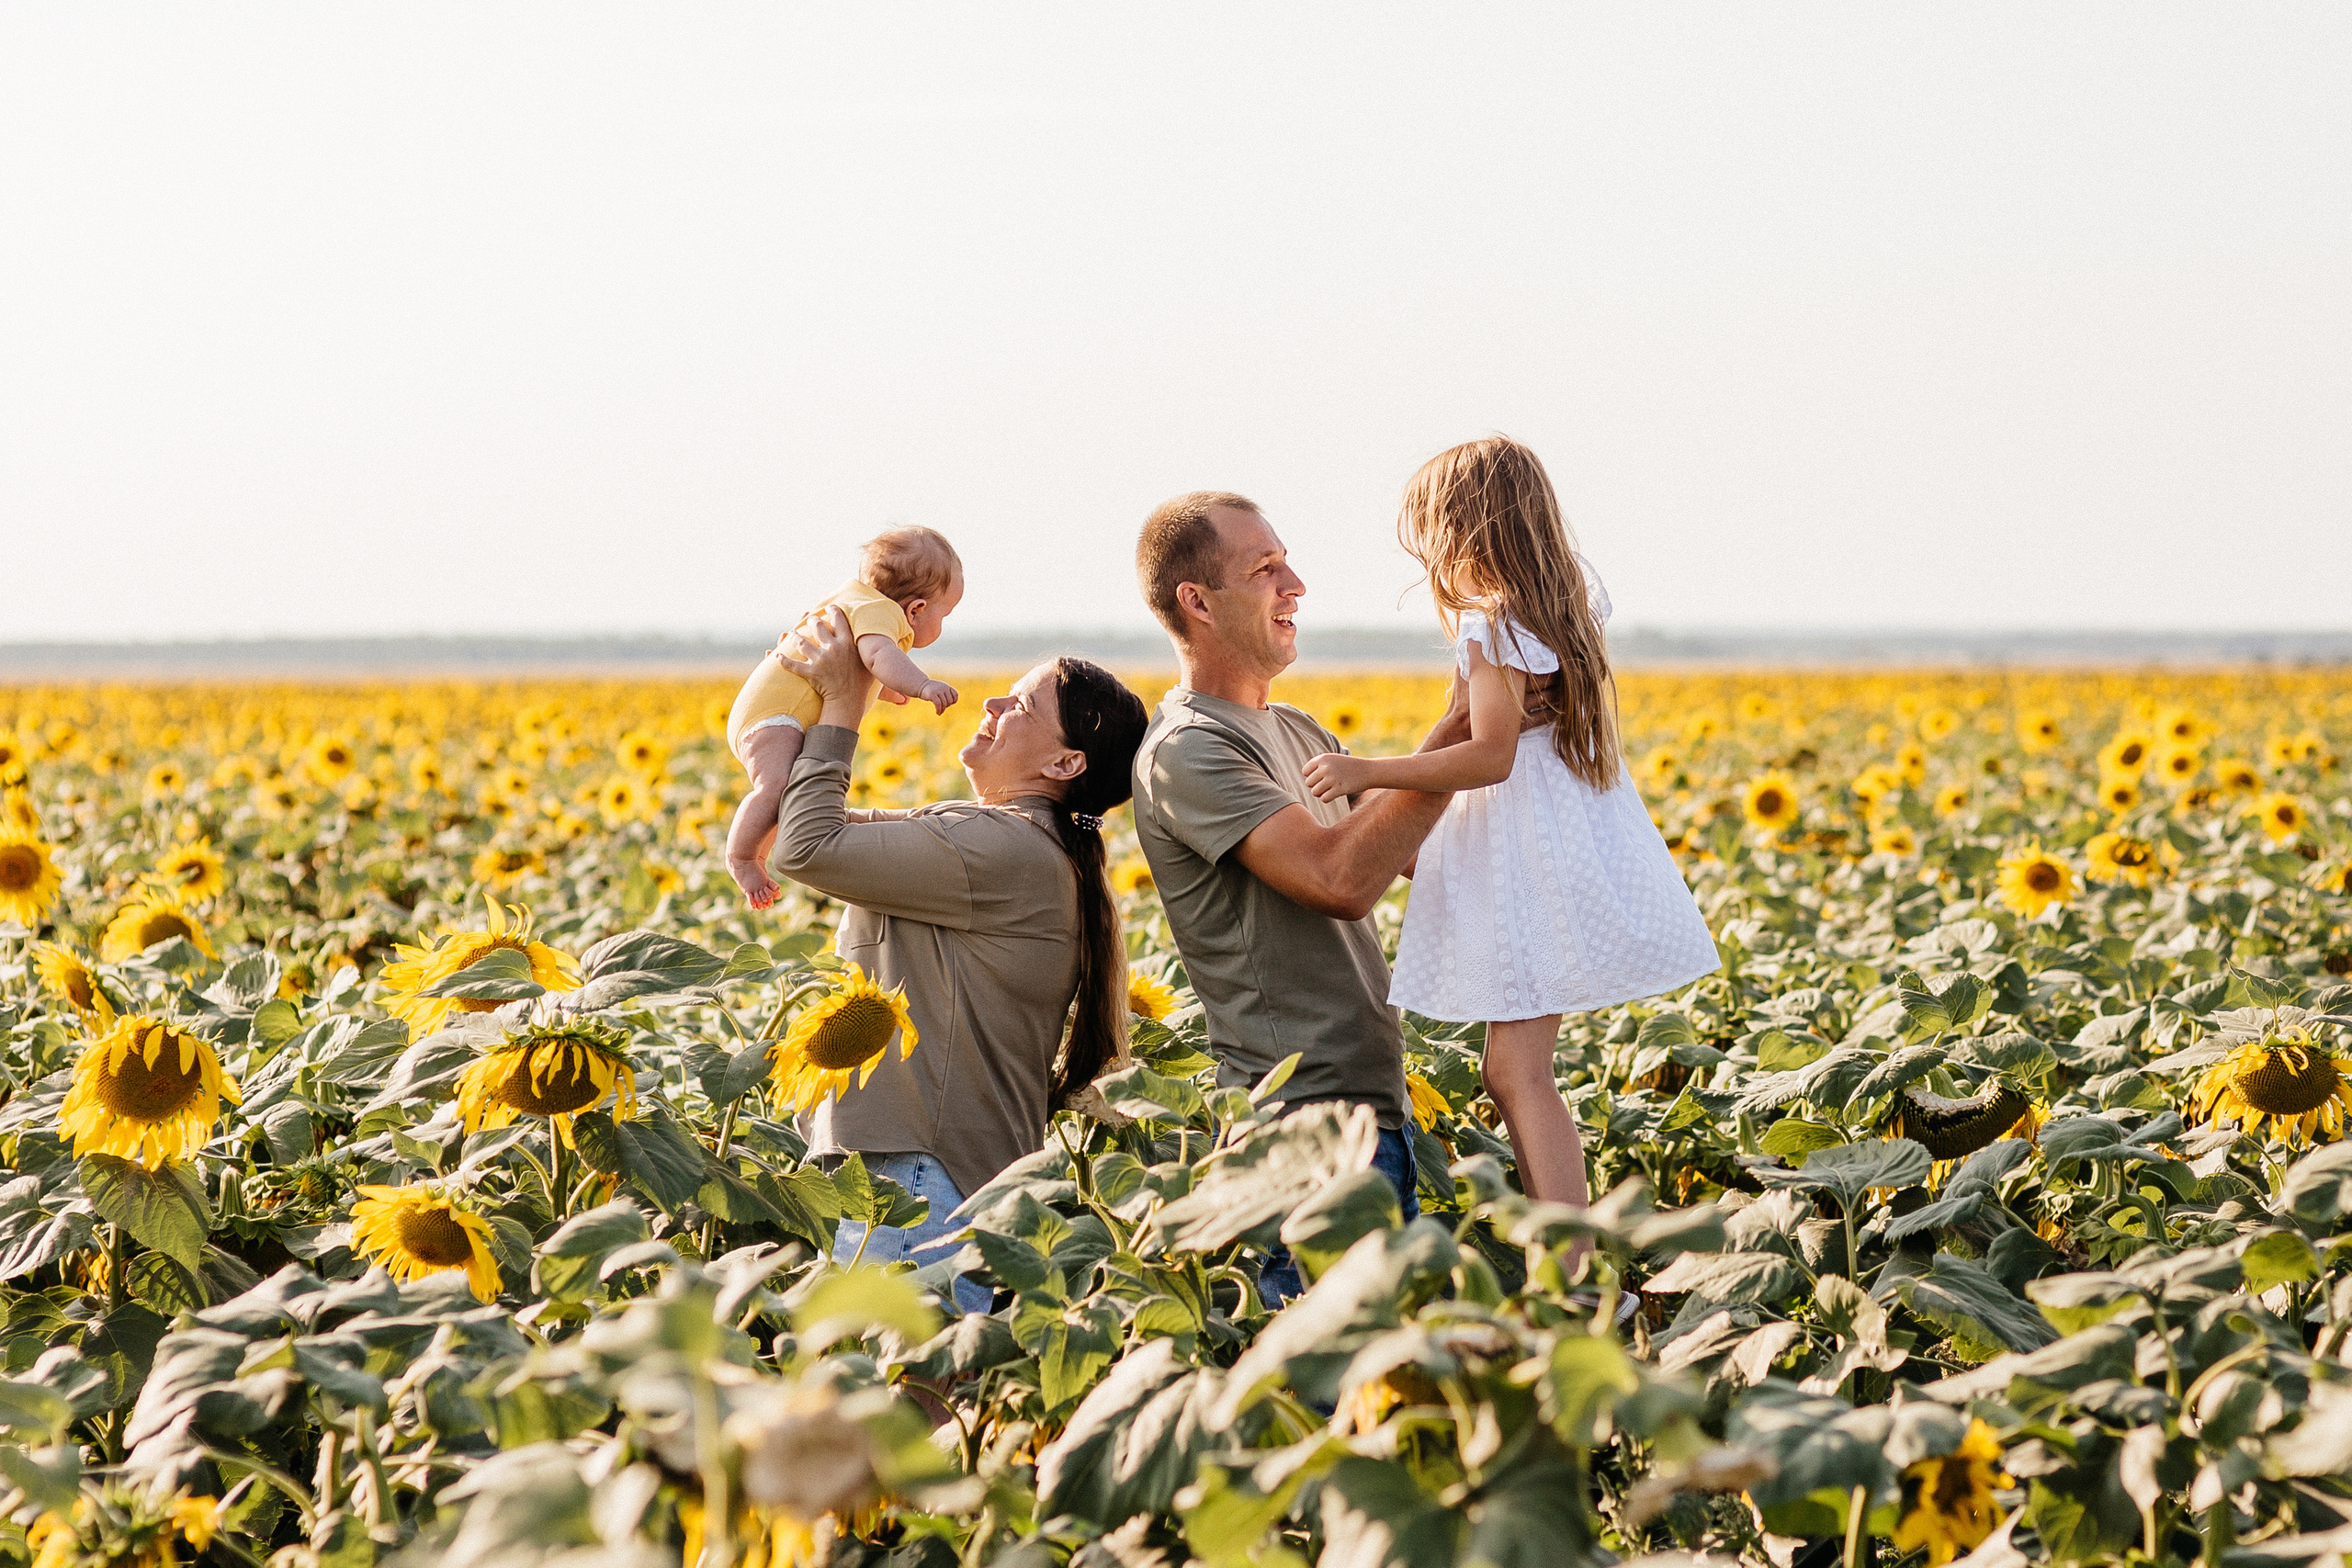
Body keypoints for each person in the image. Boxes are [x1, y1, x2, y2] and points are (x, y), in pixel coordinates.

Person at [1302, 436, 1719, 1211]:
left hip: (1524, 840)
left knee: (1519, 1072)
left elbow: (1489, 754)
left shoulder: (1494, 625)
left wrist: (1370, 771)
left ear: (1464, 532)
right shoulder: (1564, 603)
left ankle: (1573, 1263)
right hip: (1555, 829)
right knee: (1510, 1069)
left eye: (1430, 538)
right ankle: (1563, 1252)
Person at [1128, 491, 1470, 1301]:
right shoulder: (1188, 749)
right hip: (1299, 1131)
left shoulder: (1304, 733)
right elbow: (1339, 877)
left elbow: (1419, 857)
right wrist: (1455, 735)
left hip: (1373, 1109)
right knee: (1324, 1398)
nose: (1297, 585)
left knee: (1379, 1397)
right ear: (1198, 601)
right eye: (1267, 567)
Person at [767, 605, 1148, 1313]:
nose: (995, 703)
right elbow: (795, 831)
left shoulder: (1001, 850)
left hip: (920, 1183)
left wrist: (848, 701)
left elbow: (804, 847)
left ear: (1065, 764)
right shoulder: (1004, 844)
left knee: (904, 1408)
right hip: (926, 1178)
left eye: (1023, 705)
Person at [724, 527, 967, 909]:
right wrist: (922, 685)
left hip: (767, 710)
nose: (943, 624)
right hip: (775, 718)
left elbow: (858, 663)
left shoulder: (852, 598)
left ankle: (757, 854)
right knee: (778, 786)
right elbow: (877, 658)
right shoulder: (881, 613)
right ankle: (742, 858)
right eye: (945, 614)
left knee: (790, 792)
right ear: (916, 610)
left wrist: (884, 689)